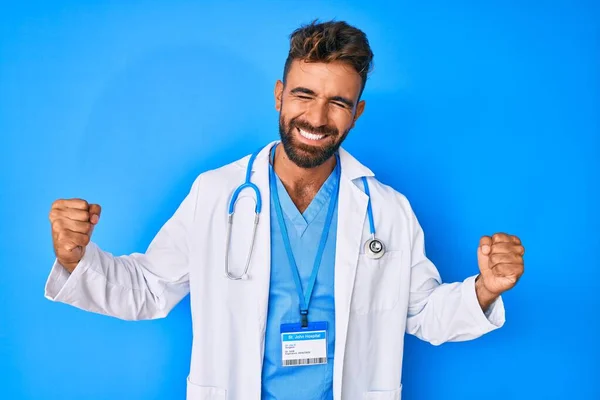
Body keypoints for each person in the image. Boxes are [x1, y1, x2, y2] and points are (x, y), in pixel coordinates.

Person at [45, 19, 525, 400]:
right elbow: (149, 289)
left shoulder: (387, 210)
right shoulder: (217, 194)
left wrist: (484, 290)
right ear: (279, 95)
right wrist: (75, 260)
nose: (317, 118)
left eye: (338, 102)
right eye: (304, 95)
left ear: (356, 113)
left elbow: (422, 312)